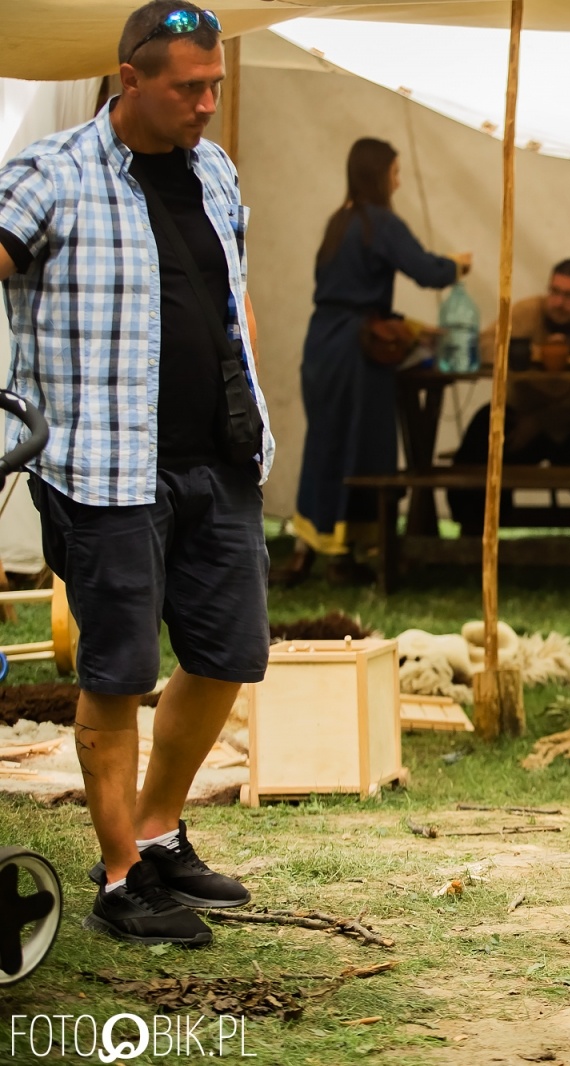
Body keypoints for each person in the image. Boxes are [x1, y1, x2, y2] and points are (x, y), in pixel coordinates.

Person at [0, 2, 274, 946]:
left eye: (215, 87)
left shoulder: (215, 169)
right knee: (117, 674)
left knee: (227, 655)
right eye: (187, 88)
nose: (206, 104)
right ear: (131, 79)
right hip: (105, 466)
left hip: (221, 458)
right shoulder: (52, 172)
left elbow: (231, 299)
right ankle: (121, 877)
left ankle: (159, 833)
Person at [278, 137, 469, 586]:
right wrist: (456, 266)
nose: (398, 182)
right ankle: (345, 550)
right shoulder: (377, 222)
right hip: (354, 351)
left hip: (323, 343)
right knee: (358, 447)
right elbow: (425, 270)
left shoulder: (338, 222)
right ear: (378, 175)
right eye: (395, 173)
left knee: (327, 442)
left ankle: (319, 547)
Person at [449, 258, 570, 539]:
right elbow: (484, 345)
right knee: (484, 429)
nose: (558, 302)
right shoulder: (527, 312)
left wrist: (542, 421)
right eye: (554, 292)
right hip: (520, 417)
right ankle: (472, 534)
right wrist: (530, 353)